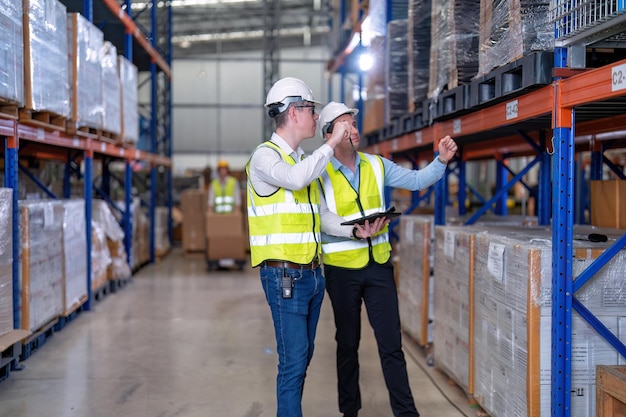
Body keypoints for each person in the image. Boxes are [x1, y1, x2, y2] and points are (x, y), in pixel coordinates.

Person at [246, 79, 387, 417]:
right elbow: (296, 179)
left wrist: (357, 230)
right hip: (284, 277)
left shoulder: (303, 159)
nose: (316, 116)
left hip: (310, 276)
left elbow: (321, 216)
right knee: (293, 364)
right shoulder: (266, 158)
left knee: (302, 359)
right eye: (311, 110)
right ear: (293, 112)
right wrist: (333, 142)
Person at [317, 101, 459, 417]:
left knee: (391, 346)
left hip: (379, 267)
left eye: (353, 124)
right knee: (347, 347)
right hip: (342, 272)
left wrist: (442, 160)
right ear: (329, 134)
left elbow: (418, 180)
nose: (352, 130)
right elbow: (323, 217)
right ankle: (349, 411)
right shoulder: (320, 172)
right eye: (344, 125)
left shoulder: (376, 165)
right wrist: (353, 232)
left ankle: (406, 413)